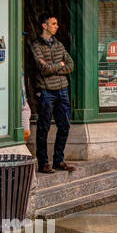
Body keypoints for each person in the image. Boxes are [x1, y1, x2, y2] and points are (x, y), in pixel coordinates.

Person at [30, 14, 76, 173]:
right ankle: (43, 162)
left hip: (62, 90)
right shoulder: (36, 45)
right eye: (54, 24)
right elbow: (44, 69)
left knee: (64, 125)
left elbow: (71, 65)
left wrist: (55, 66)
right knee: (44, 127)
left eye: (56, 24)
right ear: (44, 25)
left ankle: (58, 160)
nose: (57, 26)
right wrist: (60, 65)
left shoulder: (59, 44)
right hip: (46, 91)